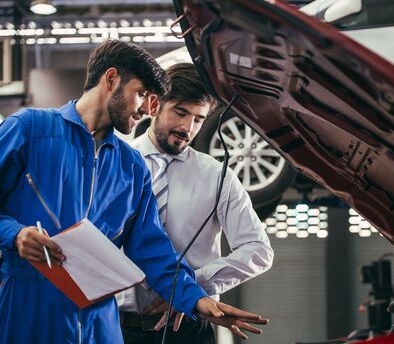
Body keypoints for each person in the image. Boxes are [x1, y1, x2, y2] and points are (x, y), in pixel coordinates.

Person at [0, 40, 267, 344]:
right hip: (28, 308)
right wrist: (15, 234)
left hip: (99, 323)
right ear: (111, 80)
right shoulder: (29, 129)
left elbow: (152, 250)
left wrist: (196, 300)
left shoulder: (131, 166)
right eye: (142, 94)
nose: (146, 109)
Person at [118, 63, 274, 343]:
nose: (187, 128)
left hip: (187, 329)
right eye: (180, 112)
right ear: (155, 104)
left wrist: (189, 287)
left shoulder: (218, 176)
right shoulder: (115, 163)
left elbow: (259, 250)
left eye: (199, 119)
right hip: (118, 328)